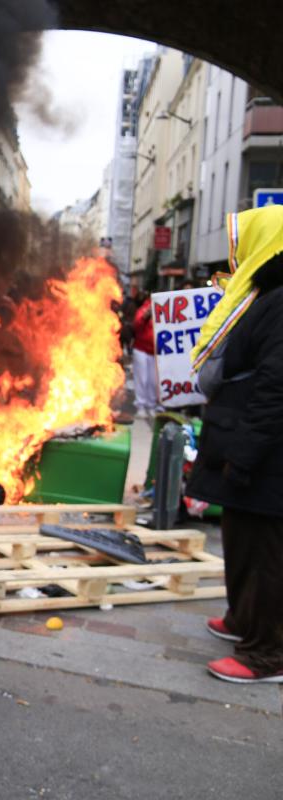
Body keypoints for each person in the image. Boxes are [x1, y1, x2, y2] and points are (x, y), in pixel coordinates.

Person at [187, 205, 283, 684]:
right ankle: (244, 620)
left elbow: (275, 388)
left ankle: (268, 655)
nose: (237, 251)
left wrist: (243, 456)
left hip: (269, 456)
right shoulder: (265, 295)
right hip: (249, 446)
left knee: (269, 554)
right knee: (242, 538)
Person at [130, 292, 159, 417]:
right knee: (142, 379)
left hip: (155, 352)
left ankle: (151, 405)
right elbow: (136, 325)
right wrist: (146, 316)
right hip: (141, 349)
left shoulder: (165, 310)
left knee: (153, 381)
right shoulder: (143, 309)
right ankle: (141, 405)